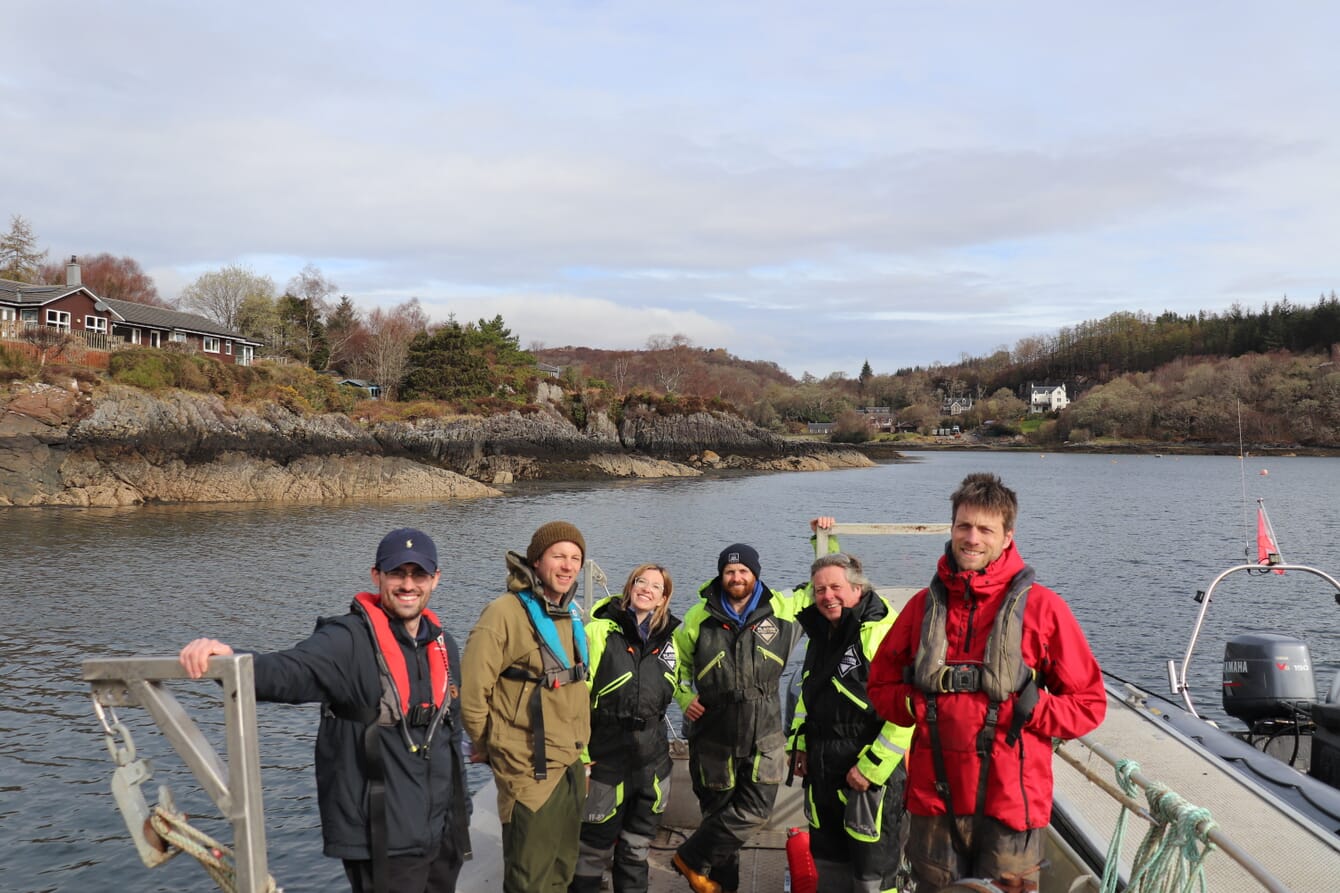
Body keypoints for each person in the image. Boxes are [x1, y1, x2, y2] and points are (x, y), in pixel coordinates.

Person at [178, 528, 470, 893]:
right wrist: (227, 659)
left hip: (442, 834)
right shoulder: (345, 641)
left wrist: (461, 817)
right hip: (384, 838)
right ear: (376, 576)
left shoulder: (443, 645)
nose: (408, 584)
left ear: (435, 579)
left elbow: (451, 734)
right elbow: (286, 672)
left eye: (419, 574)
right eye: (397, 573)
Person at [867, 473, 1107, 893]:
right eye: (964, 526)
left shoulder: (1044, 609)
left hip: (1012, 807)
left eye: (985, 529)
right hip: (934, 804)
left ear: (1007, 536)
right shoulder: (922, 608)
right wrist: (918, 706)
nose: (972, 538)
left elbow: (1089, 705)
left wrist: (1031, 708)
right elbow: (880, 687)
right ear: (952, 528)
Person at [671, 518, 836, 893]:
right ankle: (716, 885)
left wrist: (823, 537)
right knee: (718, 815)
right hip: (713, 734)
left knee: (755, 811)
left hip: (764, 734)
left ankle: (690, 857)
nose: (736, 577)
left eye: (743, 570)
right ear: (721, 575)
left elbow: (824, 585)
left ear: (755, 574)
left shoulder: (782, 608)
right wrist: (684, 697)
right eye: (729, 571)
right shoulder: (698, 617)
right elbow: (674, 664)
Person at [460, 521, 592, 893]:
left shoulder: (567, 613)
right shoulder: (503, 613)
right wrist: (491, 746)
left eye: (575, 558)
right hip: (529, 771)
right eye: (558, 556)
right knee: (529, 881)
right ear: (536, 561)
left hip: (569, 763)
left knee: (561, 873)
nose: (568, 566)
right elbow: (472, 694)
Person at [788, 550, 914, 893]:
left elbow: (907, 711)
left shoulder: (884, 632)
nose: (827, 596)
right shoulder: (821, 633)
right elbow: (808, 696)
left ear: (858, 588)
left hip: (868, 777)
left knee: (873, 877)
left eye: (835, 588)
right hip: (822, 773)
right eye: (820, 590)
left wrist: (872, 768)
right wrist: (799, 744)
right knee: (829, 870)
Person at [570, 564, 680, 893]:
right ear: (629, 588)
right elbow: (576, 699)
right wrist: (581, 756)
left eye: (656, 586)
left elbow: (675, 687)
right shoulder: (598, 632)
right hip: (605, 758)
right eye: (640, 582)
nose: (646, 589)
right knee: (591, 851)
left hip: (651, 762)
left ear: (663, 598)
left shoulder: (670, 642)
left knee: (636, 849)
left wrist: (691, 701)